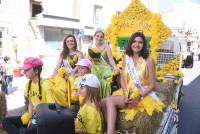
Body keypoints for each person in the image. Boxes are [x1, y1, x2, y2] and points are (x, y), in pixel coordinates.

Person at [105, 32, 164, 134]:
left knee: (109, 101)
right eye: (134, 41)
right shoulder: (126, 58)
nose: (137, 44)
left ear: (144, 45)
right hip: (127, 92)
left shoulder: (149, 60)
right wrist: (125, 92)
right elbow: (122, 78)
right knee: (101, 102)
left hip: (143, 95)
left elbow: (152, 85)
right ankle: (112, 130)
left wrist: (138, 97)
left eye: (140, 42)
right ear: (130, 43)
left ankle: (110, 132)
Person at [2, 57, 55, 134]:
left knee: (27, 131)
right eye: (24, 70)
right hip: (32, 116)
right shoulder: (28, 83)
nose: (24, 72)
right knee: (6, 121)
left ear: (36, 71)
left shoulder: (46, 85)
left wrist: (40, 106)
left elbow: (52, 107)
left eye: (27, 70)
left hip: (43, 118)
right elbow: (30, 102)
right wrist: (30, 118)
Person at [88, 30, 119, 98]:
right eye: (97, 36)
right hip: (95, 68)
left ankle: (105, 99)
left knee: (104, 81)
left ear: (103, 38)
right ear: (94, 36)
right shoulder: (91, 46)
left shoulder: (106, 46)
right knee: (93, 79)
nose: (99, 38)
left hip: (105, 68)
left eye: (101, 37)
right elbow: (89, 60)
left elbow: (111, 59)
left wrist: (115, 67)